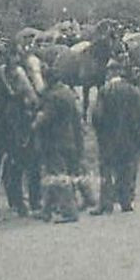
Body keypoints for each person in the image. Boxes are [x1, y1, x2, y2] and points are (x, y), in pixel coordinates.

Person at [89, 60, 140, 214]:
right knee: (127, 170)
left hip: (109, 139)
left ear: (109, 73)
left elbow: (97, 116)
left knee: (107, 171)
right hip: (130, 139)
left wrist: (100, 134)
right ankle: (126, 202)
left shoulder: (104, 91)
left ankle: (106, 204)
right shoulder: (133, 91)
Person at [34, 70, 86, 222]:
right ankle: (46, 210)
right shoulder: (68, 93)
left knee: (58, 176)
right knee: (53, 176)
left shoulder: (52, 97)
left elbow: (46, 118)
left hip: (54, 141)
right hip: (70, 139)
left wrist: (35, 123)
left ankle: (69, 212)